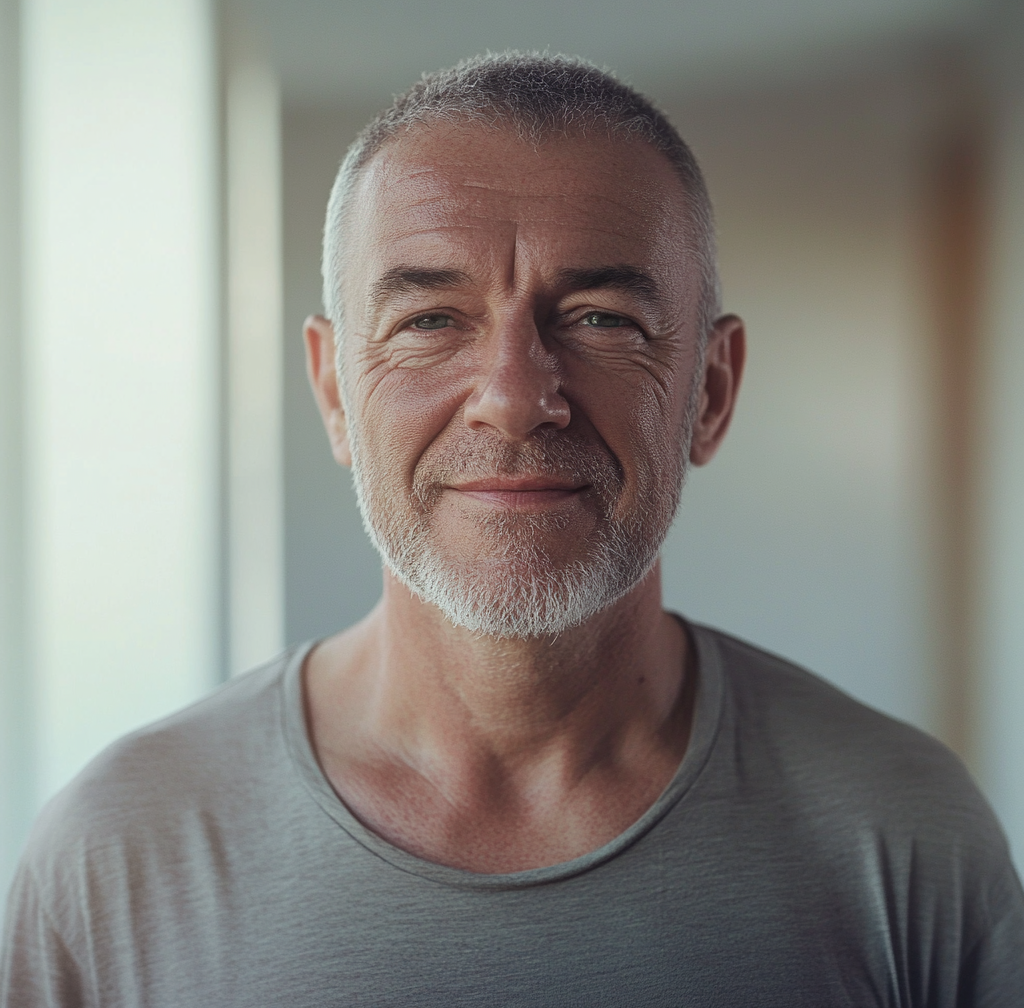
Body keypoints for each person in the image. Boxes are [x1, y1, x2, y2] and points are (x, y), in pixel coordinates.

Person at [3, 52, 1023, 1007]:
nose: (514, 396)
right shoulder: (116, 856)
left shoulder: (902, 839)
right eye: (430, 320)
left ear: (709, 391)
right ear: (331, 391)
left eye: (599, 320)